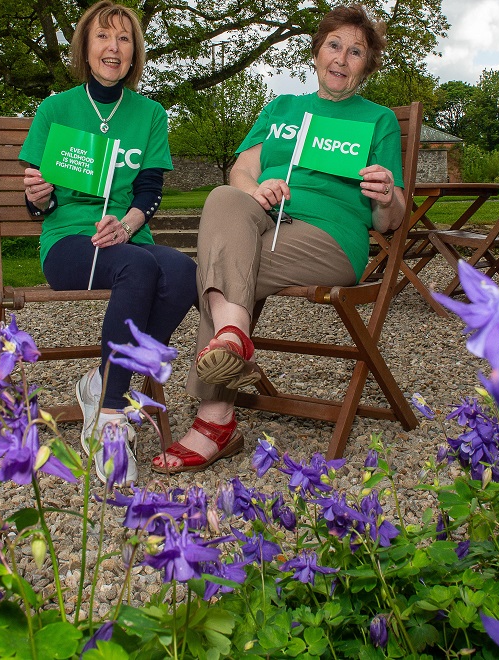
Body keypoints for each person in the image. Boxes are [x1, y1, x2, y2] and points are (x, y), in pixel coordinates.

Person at [151, 4, 406, 473]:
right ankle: (233, 336)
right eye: (334, 45)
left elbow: (391, 220)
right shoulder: (281, 108)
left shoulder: (378, 120)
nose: (341, 58)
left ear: (365, 66)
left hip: (328, 236)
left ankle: (215, 418)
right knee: (225, 197)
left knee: (219, 270)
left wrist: (387, 195)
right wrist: (255, 188)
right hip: (264, 217)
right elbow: (242, 169)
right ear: (316, 51)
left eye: (355, 52)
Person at [20, 0, 197, 484]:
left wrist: (129, 223)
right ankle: (113, 418)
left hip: (126, 234)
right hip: (68, 240)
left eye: (123, 39)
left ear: (134, 51)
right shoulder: (56, 108)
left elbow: (149, 190)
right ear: (85, 46)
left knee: (184, 272)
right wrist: (39, 197)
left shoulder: (150, 113)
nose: (112, 48)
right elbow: (39, 201)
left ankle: (102, 379)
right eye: (103, 37)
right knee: (138, 269)